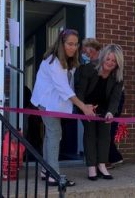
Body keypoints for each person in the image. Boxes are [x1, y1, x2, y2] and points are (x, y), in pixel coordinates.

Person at [30, 29, 95, 186]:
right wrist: (83, 107)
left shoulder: (67, 61)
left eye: (75, 44)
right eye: (69, 44)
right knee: (55, 133)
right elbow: (64, 89)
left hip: (53, 103)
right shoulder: (54, 61)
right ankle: (53, 174)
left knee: (50, 135)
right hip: (46, 103)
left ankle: (47, 171)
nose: (73, 47)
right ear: (62, 43)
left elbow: (69, 86)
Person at [75, 44, 124, 181]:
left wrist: (110, 113)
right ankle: (91, 167)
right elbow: (80, 92)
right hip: (87, 106)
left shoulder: (118, 77)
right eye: (108, 59)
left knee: (105, 135)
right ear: (103, 58)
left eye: (113, 61)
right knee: (90, 133)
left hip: (104, 108)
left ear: (117, 63)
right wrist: (84, 108)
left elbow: (115, 98)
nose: (110, 63)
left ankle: (102, 165)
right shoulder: (88, 69)